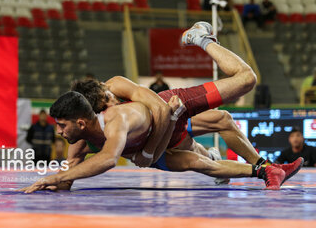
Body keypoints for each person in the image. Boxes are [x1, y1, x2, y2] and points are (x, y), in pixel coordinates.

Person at [18, 22, 302, 193]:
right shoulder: (87, 133)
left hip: (170, 108)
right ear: (93, 114)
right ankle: (264, 170)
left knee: (243, 85)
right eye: (109, 104)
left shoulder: (114, 90)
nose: (115, 103)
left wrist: (147, 152)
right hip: (162, 137)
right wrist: (56, 182)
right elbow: (78, 169)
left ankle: (202, 39)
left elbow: (162, 111)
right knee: (203, 162)